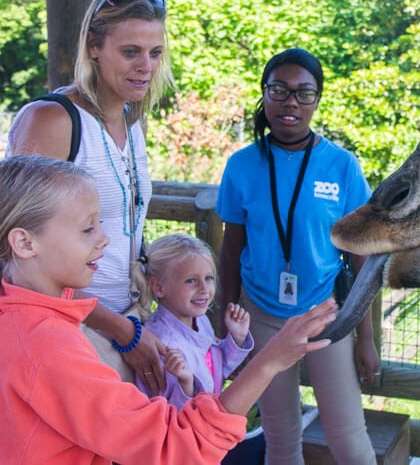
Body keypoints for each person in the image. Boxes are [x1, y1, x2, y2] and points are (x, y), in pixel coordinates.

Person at [0, 155, 337, 464]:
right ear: (25, 243)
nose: (103, 239)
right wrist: (271, 360)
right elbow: (173, 445)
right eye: (88, 228)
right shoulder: (47, 347)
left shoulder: (20, 320)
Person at [217, 47, 380, 464]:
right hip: (263, 317)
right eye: (280, 90)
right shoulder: (241, 166)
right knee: (280, 433)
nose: (291, 102)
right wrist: (228, 323)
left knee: (347, 435)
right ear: (265, 96)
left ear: (317, 100)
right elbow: (231, 249)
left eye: (303, 93)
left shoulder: (342, 166)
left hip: (325, 317)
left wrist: (366, 338)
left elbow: (362, 260)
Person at [7, 0, 172, 392]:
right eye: (130, 52)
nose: (145, 67)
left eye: (155, 53)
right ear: (94, 47)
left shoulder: (133, 119)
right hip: (71, 330)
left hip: (128, 318)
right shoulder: (53, 120)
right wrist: (119, 329)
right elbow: (17, 260)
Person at [135, 233, 254, 408]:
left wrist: (236, 338)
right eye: (191, 281)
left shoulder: (200, 320)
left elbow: (215, 371)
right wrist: (186, 385)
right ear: (159, 287)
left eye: (208, 278)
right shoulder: (162, 344)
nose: (204, 289)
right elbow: (166, 415)